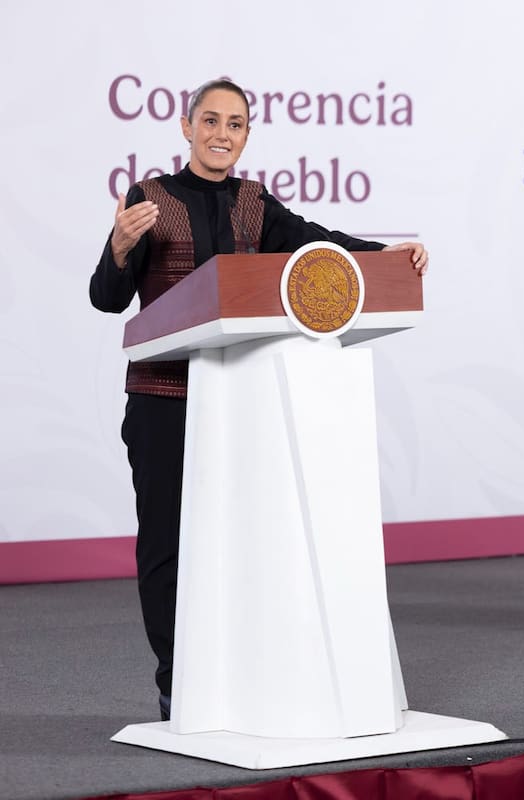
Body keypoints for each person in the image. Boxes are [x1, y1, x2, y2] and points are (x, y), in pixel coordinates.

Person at [89, 78, 429, 720]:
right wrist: (119, 247)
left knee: (242, 542)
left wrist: (384, 253)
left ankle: (238, 678)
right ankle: (177, 683)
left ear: (247, 135)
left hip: (241, 405)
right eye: (211, 121)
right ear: (186, 128)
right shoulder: (149, 200)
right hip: (165, 400)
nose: (222, 133)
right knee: (168, 544)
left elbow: (313, 241)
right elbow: (107, 298)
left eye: (236, 124)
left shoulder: (254, 202)